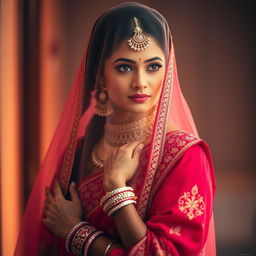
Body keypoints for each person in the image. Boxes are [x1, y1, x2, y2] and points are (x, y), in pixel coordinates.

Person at [15, 2, 216, 256]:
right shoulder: (76, 155)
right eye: (124, 67)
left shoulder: (184, 156)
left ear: (168, 71)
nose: (141, 82)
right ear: (101, 77)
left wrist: (112, 191)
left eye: (153, 67)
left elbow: (165, 253)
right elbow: (48, 240)